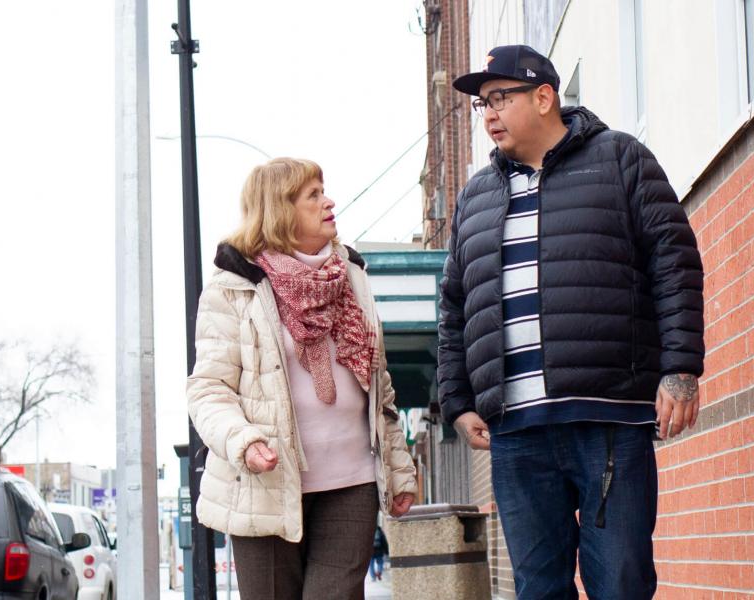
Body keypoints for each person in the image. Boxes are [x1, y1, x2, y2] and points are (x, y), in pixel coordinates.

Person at [437, 45, 704, 599]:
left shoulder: (620, 159)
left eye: (499, 98)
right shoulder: (476, 197)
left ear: (544, 97)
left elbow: (674, 263)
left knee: (622, 582)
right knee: (538, 589)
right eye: (481, 104)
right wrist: (458, 401)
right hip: (516, 432)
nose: (487, 113)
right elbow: (455, 307)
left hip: (607, 417)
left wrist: (679, 368)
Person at [187, 157, 417, 600]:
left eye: (323, 190)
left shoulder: (351, 275)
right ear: (280, 209)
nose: (328, 201)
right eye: (312, 195)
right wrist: (242, 440)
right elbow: (209, 388)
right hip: (265, 483)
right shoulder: (234, 286)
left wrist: (399, 469)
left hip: (351, 480)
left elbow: (378, 387)